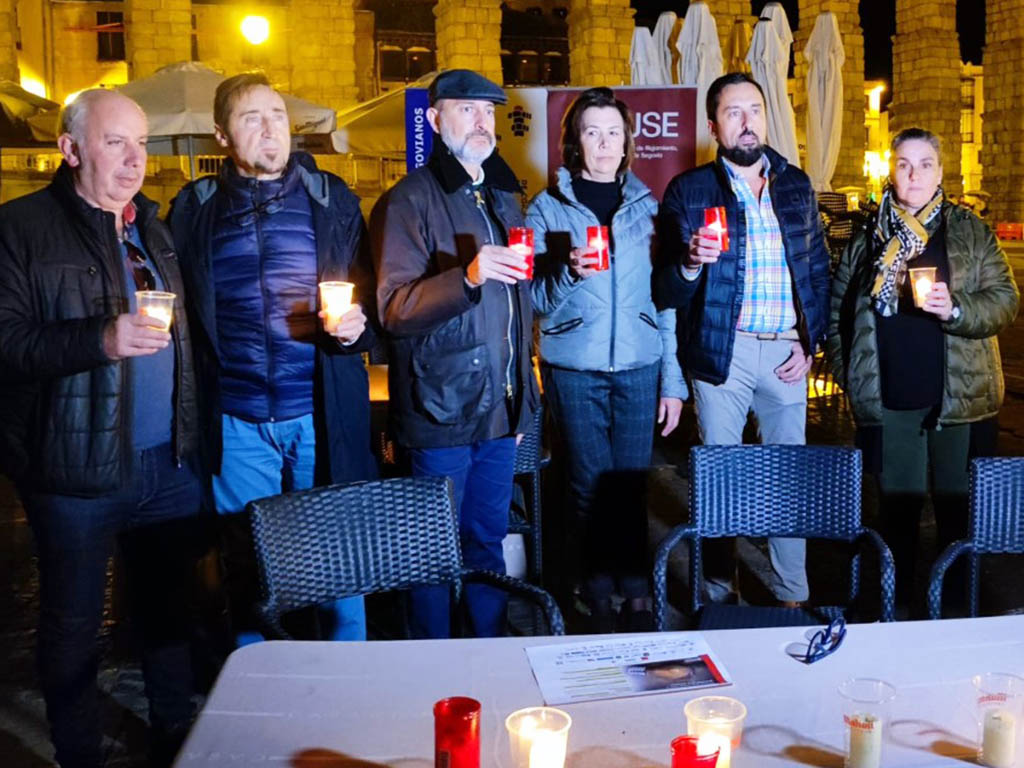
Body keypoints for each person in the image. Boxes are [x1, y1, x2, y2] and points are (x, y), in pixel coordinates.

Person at [0, 89, 202, 768]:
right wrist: (100, 339)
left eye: (141, 143)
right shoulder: (19, 228)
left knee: (170, 617)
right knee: (73, 627)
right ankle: (79, 753)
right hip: (72, 470)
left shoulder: (155, 228)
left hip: (166, 465)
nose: (135, 160)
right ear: (70, 148)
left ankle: (182, 740)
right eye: (116, 142)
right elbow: (7, 345)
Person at [168, 73, 377, 645]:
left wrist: (358, 329)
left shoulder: (333, 201)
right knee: (247, 563)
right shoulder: (193, 210)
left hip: (319, 412)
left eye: (278, 115)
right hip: (235, 419)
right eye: (251, 117)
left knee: (340, 559)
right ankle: (256, 684)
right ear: (221, 136)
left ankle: (346, 682)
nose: (270, 129)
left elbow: (374, 301)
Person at [371, 69, 539, 639]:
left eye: (489, 112)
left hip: (499, 409)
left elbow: (518, 311)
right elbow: (393, 309)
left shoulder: (501, 197)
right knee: (432, 552)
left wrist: (522, 402)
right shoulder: (407, 201)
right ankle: (431, 666)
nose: (482, 122)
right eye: (467, 110)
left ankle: (488, 652)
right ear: (434, 118)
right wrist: (465, 277)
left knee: (487, 541)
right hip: (440, 409)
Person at [655, 72, 830, 607]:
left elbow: (818, 269)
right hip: (721, 355)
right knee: (719, 481)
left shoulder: (796, 184)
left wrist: (811, 340)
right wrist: (689, 263)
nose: (748, 120)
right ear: (714, 126)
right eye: (734, 112)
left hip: (784, 352)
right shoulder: (690, 191)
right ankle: (716, 590)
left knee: (790, 475)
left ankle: (790, 593)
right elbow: (664, 287)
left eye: (754, 108)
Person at [826, 127, 1018, 607]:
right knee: (896, 519)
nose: (914, 175)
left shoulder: (970, 230)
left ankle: (957, 613)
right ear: (891, 170)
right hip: (890, 402)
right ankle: (897, 613)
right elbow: (838, 317)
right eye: (904, 164)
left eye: (925, 164)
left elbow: (1005, 301)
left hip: (959, 401)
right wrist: (853, 377)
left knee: (958, 519)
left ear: (940, 172)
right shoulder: (867, 239)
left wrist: (956, 309)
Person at [527, 87, 686, 632]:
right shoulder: (547, 208)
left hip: (640, 363)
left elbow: (661, 299)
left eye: (612, 132)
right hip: (574, 365)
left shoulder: (649, 209)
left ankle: (635, 581)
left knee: (632, 482)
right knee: (589, 482)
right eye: (591, 132)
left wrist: (673, 380)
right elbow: (534, 299)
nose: (603, 143)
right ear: (575, 141)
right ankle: (594, 586)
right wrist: (569, 269)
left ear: (627, 143)